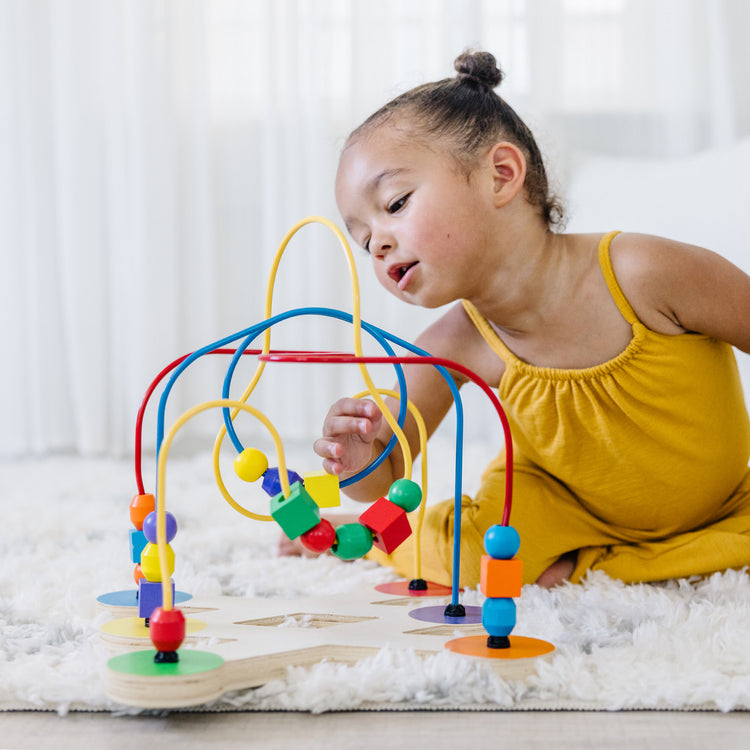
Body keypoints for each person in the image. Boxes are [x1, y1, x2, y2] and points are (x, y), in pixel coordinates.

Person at [282, 50, 750, 589]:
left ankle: (593, 564)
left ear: (502, 175)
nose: (379, 243)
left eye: (396, 203)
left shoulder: (646, 273)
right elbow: (386, 472)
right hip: (555, 499)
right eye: (364, 241)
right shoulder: (453, 344)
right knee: (474, 557)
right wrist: (361, 459)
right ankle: (373, 539)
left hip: (724, 500)